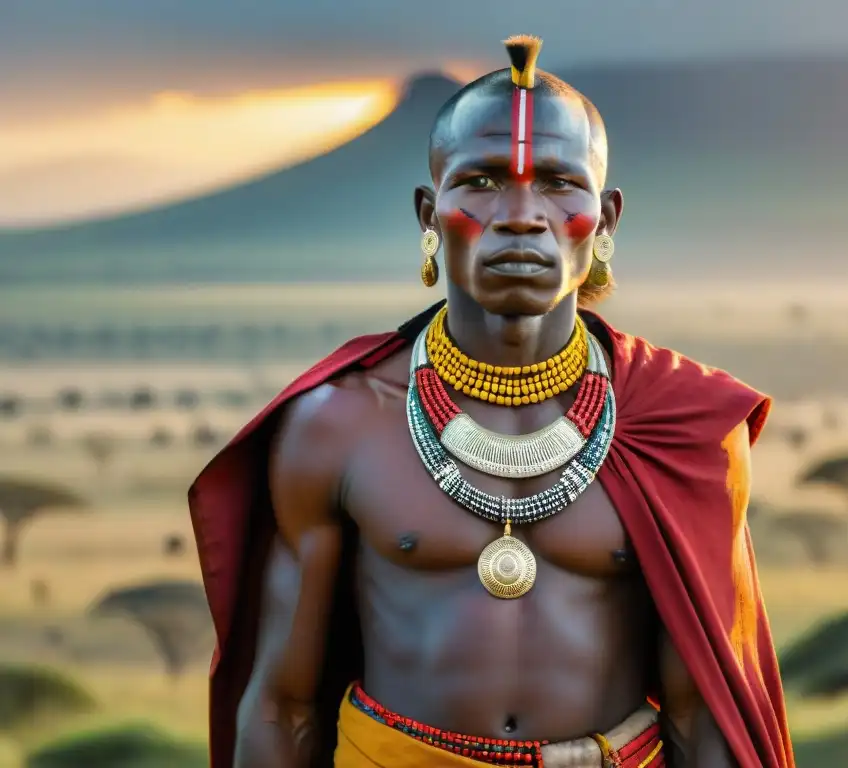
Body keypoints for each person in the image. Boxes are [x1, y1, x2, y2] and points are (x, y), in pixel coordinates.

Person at [189, 35, 795, 768]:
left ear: (605, 221)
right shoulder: (336, 425)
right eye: (479, 182)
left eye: (556, 184)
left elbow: (707, 713)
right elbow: (282, 707)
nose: (519, 214)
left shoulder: (684, 428)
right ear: (427, 213)